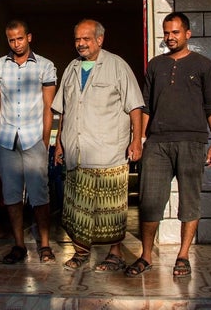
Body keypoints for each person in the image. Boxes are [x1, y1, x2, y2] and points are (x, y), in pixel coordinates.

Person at [126, 11, 211, 278]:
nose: (170, 37)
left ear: (187, 34)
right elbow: (146, 105)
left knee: (190, 201)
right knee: (150, 200)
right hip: (157, 143)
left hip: (192, 141)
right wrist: (141, 139)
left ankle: (182, 255)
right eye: (166, 33)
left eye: (175, 32)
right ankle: (146, 256)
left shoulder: (203, 65)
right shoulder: (155, 65)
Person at [52, 19, 144, 272]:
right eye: (77, 39)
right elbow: (64, 109)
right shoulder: (71, 67)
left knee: (109, 208)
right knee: (77, 206)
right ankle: (81, 252)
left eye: (86, 39)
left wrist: (137, 140)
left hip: (109, 151)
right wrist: (59, 142)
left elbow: (135, 105)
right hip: (76, 150)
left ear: (100, 40)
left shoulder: (117, 66)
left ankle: (115, 254)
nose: (80, 44)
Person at [0, 20, 58, 264]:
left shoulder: (45, 66)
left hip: (33, 137)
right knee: (11, 195)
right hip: (6, 139)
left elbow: (49, 107)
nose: (16, 43)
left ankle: (45, 245)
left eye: (19, 38)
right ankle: (18, 245)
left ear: (29, 37)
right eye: (11, 40)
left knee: (40, 194)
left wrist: (45, 141)